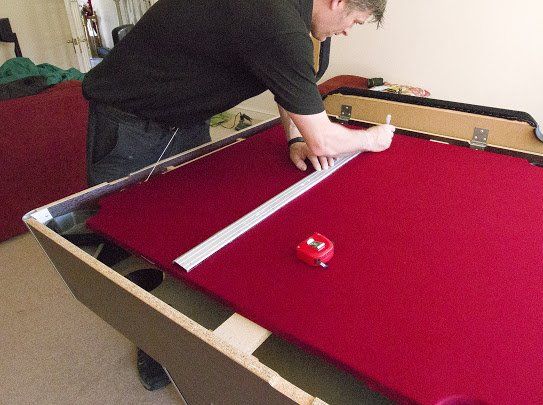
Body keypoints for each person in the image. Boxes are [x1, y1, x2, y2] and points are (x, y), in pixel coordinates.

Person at [82, 0, 394, 391]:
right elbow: (324, 139)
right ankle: (153, 339)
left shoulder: (298, 21)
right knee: (132, 236)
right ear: (338, 1)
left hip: (187, 116)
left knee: (189, 229)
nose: (348, 30)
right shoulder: (277, 20)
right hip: (129, 118)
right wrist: (372, 139)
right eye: (354, 21)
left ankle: (175, 316)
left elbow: (288, 86)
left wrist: (294, 138)